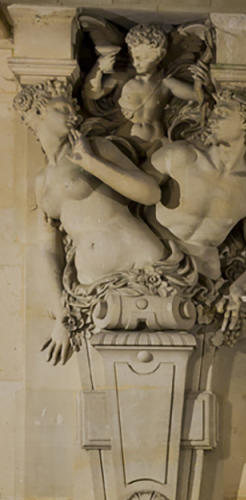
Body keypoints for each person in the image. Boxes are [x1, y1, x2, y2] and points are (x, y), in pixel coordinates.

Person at [13, 80, 165, 365]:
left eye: (73, 106)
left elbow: (150, 193)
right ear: (36, 114)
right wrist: (62, 314)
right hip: (92, 290)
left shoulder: (97, 147)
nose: (73, 113)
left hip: (141, 267)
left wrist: (90, 162)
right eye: (62, 108)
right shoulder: (41, 182)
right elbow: (48, 250)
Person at [150, 87, 246, 333]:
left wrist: (239, 286)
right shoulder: (180, 156)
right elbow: (130, 195)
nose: (212, 119)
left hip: (201, 287)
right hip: (152, 266)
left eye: (223, 113)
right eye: (214, 113)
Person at [118, 24, 203, 146]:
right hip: (133, 139)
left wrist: (200, 78)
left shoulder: (165, 83)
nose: (136, 63)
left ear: (160, 56)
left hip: (160, 138)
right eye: (133, 58)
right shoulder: (127, 82)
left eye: (143, 58)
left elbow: (197, 95)